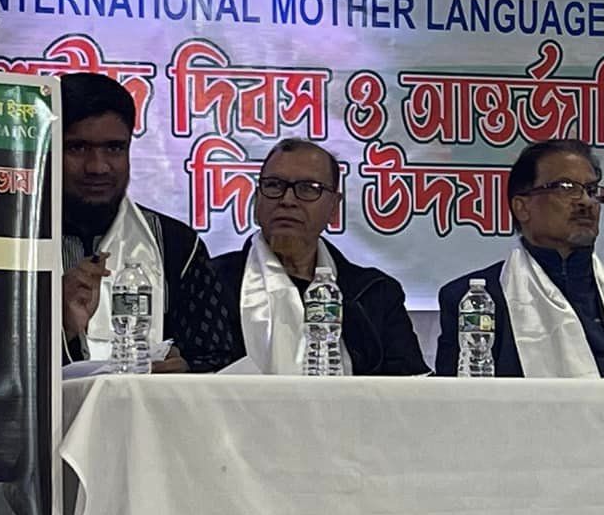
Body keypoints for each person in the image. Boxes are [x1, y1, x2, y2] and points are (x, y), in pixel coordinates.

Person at [435, 139, 604, 377]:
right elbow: (458, 399)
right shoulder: (477, 300)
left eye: (591, 190)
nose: (586, 201)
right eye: (566, 188)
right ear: (522, 207)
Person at [60, 72, 236, 373]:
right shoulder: (13, 240)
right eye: (77, 148)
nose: (97, 167)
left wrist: (184, 369)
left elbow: (217, 358)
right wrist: (56, 323)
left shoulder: (177, 244)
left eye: (114, 148)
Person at [212, 138, 428, 375]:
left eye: (308, 188)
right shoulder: (213, 283)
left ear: (334, 207)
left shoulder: (374, 293)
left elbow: (411, 384)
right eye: (274, 185)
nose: (287, 200)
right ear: (256, 200)